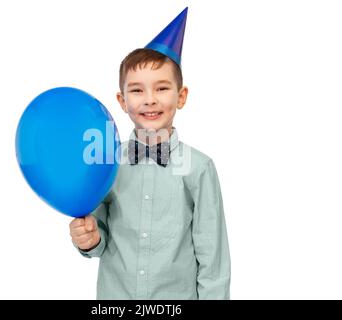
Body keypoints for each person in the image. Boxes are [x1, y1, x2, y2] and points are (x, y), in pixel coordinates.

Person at [69, 7, 231, 299]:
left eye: (162, 88)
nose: (150, 100)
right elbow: (99, 240)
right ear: (122, 100)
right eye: (137, 90)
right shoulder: (106, 163)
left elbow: (213, 261)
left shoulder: (200, 168)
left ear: (180, 97)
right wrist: (89, 240)